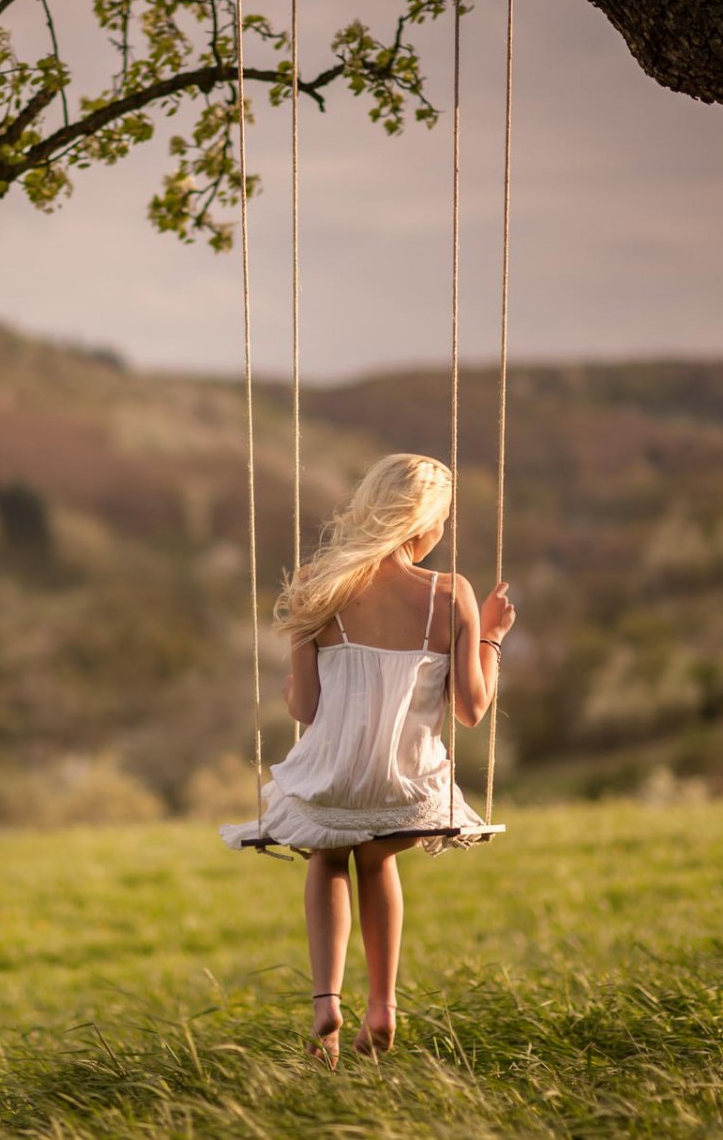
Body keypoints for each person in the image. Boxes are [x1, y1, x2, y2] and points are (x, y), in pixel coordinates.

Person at [220, 452, 515, 1065]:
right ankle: (383, 1005)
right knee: (378, 862)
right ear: (424, 523)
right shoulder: (449, 593)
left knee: (329, 860)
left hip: (333, 776)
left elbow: (304, 707)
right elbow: (471, 709)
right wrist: (489, 636)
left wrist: (293, 685)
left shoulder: (317, 584)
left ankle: (327, 1001)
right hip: (406, 783)